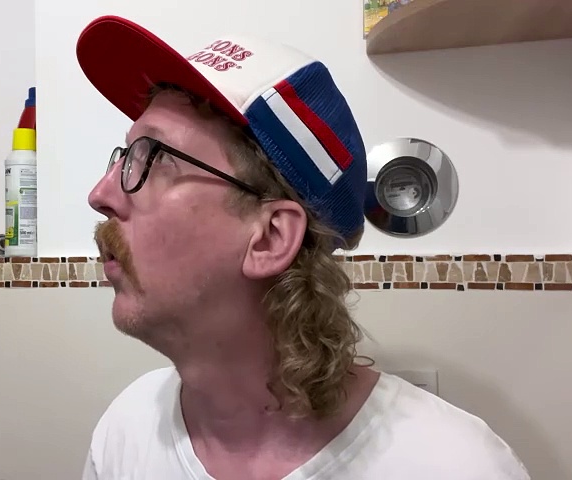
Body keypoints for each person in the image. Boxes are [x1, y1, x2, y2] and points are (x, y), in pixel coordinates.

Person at [77, 14, 530, 480]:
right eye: (125, 155)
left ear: (270, 237)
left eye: (153, 157)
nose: (100, 193)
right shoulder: (127, 431)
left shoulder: (454, 466)